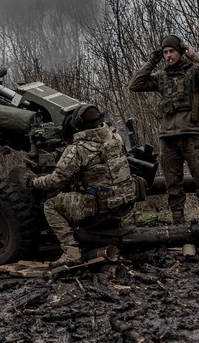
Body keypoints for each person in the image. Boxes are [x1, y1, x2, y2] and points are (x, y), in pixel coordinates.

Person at [27, 104, 139, 267]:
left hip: (102, 206)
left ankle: (71, 252)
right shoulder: (116, 138)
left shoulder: (78, 149)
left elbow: (56, 181)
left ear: (78, 125)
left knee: (51, 205)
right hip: (126, 201)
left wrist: (33, 182)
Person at [128, 34, 199, 229]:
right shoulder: (162, 77)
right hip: (168, 137)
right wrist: (152, 61)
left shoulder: (194, 72)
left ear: (180, 52)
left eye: (172, 51)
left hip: (193, 135)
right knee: (173, 184)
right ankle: (178, 224)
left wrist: (194, 55)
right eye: (165, 52)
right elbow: (135, 85)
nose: (169, 56)